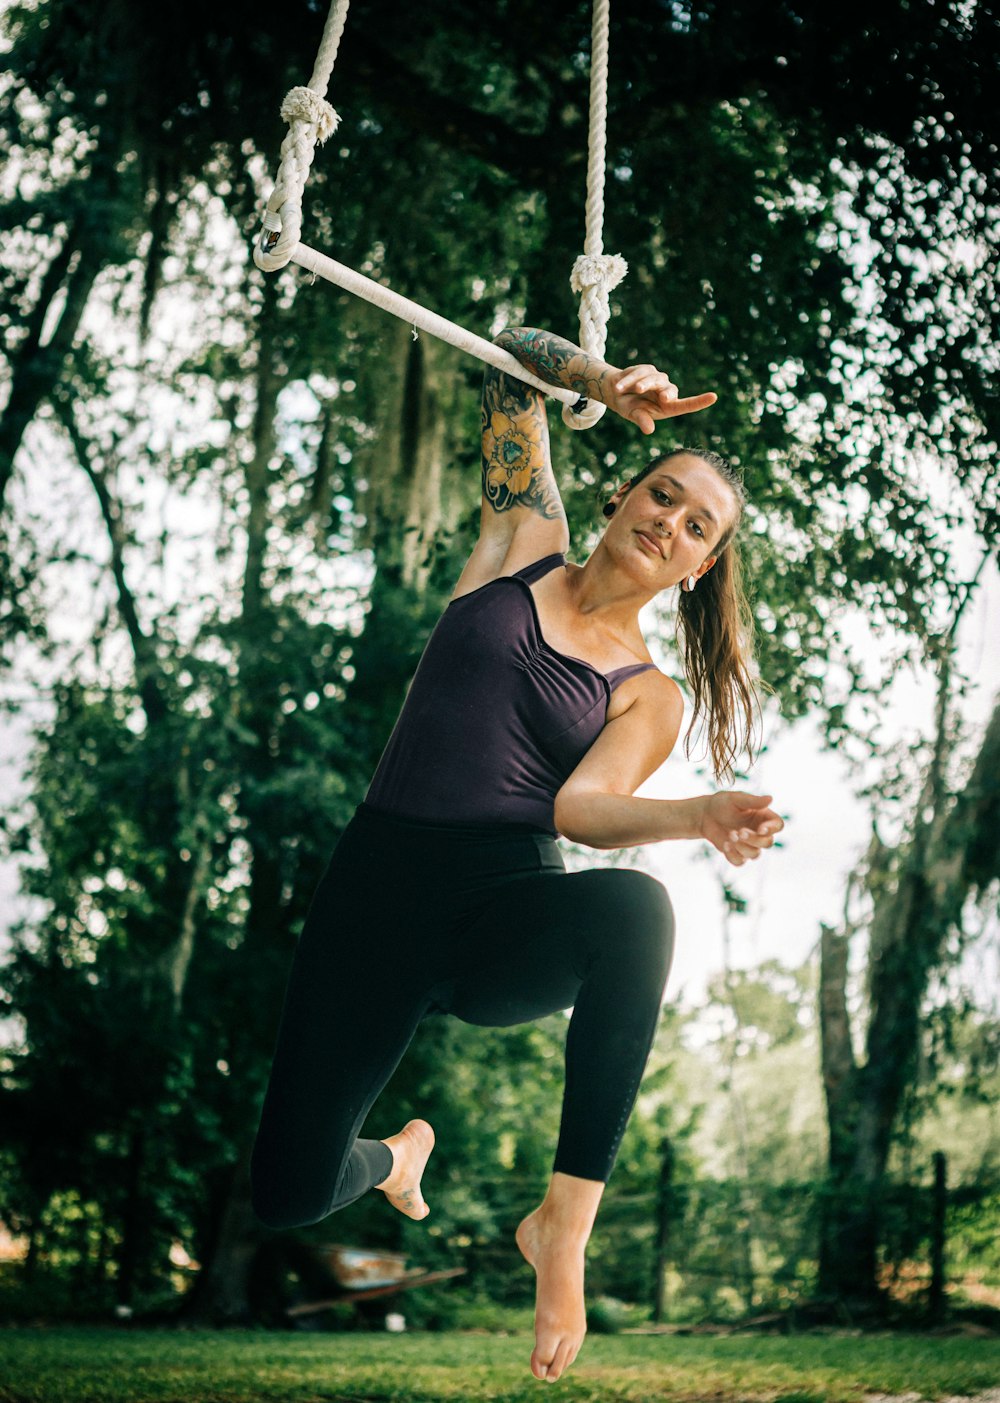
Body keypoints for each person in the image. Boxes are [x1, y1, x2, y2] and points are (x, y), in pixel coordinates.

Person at [250, 326, 783, 1383]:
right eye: (662, 494)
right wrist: (593, 379)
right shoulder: (519, 542)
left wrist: (695, 812)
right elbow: (504, 357)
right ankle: (399, 1156)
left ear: (700, 562)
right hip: (373, 893)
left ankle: (561, 1231)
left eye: (696, 524)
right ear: (624, 492)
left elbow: (582, 810)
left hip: (498, 908)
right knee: (288, 1189)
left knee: (637, 914)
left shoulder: (645, 691)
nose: (669, 521)